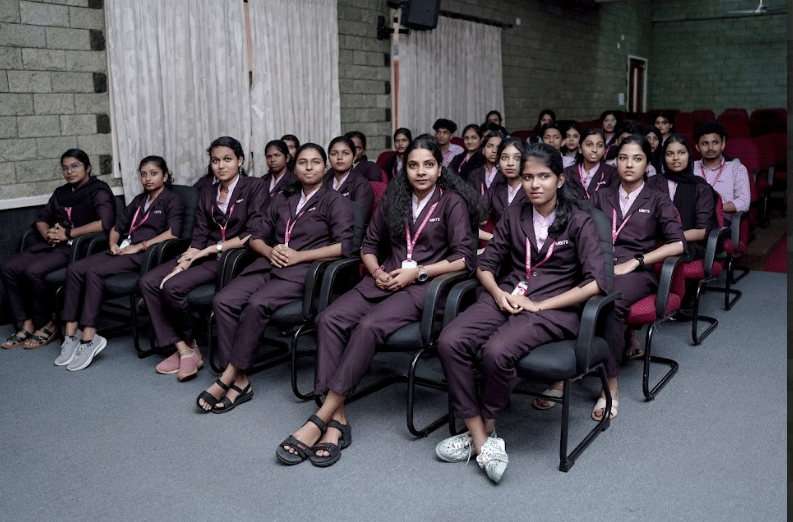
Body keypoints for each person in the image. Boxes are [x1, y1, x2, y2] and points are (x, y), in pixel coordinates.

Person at [276, 135, 479, 467]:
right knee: (329, 319)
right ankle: (338, 419)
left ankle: (321, 417)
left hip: (423, 288)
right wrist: (374, 270)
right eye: (413, 165)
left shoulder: (451, 202)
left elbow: (464, 259)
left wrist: (419, 273)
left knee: (368, 327)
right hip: (383, 280)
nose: (421, 172)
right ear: (405, 169)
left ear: (440, 169)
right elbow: (368, 246)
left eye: (428, 165)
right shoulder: (394, 199)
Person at [433, 143, 607, 483]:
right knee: (450, 340)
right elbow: (485, 266)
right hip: (506, 297)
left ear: (560, 179)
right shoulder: (515, 213)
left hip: (552, 309)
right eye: (527, 177)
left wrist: (540, 305)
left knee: (496, 352)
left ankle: (486, 428)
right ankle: (482, 439)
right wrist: (497, 293)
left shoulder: (580, 220)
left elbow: (596, 284)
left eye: (544, 176)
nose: (535, 184)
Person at [197, 143, 355, 413]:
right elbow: (255, 236)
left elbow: (344, 247)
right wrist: (271, 251)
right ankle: (241, 380)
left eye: (315, 162)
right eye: (302, 162)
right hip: (268, 265)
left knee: (257, 304)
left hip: (302, 271)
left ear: (325, 167)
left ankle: (228, 375)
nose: (308, 167)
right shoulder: (283, 198)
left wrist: (299, 256)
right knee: (223, 300)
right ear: (295, 167)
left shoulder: (335, 200)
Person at [139, 136, 265, 380]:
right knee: (148, 282)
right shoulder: (207, 192)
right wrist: (186, 259)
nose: (221, 165)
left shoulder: (255, 186)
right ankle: (185, 348)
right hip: (205, 253)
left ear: (240, 160)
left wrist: (208, 251)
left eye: (227, 159)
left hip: (235, 258)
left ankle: (188, 347)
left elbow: (253, 233)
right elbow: (199, 233)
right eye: (215, 160)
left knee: (172, 287)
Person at [587, 135, 685, 420]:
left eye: (637, 159)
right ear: (615, 161)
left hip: (636, 272)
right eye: (623, 158)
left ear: (647, 165)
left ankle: (610, 386)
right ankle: (564, 374)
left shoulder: (657, 199)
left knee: (610, 303)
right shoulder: (601, 194)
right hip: (599, 266)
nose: (629, 165)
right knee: (566, 293)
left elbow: (678, 244)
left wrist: (636, 261)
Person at [57, 156, 183, 371]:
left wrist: (140, 246)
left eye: (153, 173)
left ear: (165, 176)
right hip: (124, 249)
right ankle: (71, 335)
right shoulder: (139, 200)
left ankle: (89, 339)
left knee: (94, 272)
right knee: (75, 269)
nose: (147, 179)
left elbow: (173, 234)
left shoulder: (172, 200)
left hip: (145, 254)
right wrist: (114, 244)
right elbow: (117, 226)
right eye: (143, 174)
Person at [1, 149, 115, 350]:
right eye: (65, 168)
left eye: (75, 166)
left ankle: (47, 324)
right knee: (9, 267)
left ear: (87, 168)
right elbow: (42, 220)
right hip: (55, 245)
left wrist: (69, 233)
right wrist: (48, 235)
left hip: (81, 248)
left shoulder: (99, 190)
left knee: (33, 271)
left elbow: (105, 223)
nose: (69, 172)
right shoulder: (61, 193)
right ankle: (27, 323)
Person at [692, 121, 750, 223]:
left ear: (723, 144)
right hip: (692, 218)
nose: (710, 148)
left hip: (721, 220)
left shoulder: (736, 169)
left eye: (715, 143)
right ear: (697, 147)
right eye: (705, 143)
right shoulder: (691, 168)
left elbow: (744, 202)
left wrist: (715, 208)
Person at [478, 138, 528, 244]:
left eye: (517, 158)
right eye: (504, 157)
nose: (510, 163)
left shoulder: (532, 187)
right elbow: (474, 215)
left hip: (526, 247)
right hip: (499, 246)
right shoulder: (496, 188)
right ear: (498, 162)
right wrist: (494, 239)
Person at [323, 135, 375, 222]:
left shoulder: (361, 184)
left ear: (354, 158)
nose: (339, 157)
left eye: (345, 153)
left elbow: (358, 220)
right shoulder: (323, 181)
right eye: (334, 154)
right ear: (329, 159)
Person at [562, 128, 618, 200]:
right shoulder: (567, 172)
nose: (594, 150)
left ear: (604, 150)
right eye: (589, 145)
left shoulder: (612, 173)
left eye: (599, 145)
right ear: (580, 149)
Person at [467, 131, 505, 196]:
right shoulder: (474, 175)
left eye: (498, 147)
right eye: (490, 146)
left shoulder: (506, 174)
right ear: (483, 150)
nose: (494, 151)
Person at [261, 140, 296, 208]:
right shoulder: (262, 181)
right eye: (269, 156)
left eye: (277, 155)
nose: (272, 160)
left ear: (287, 158)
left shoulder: (294, 181)